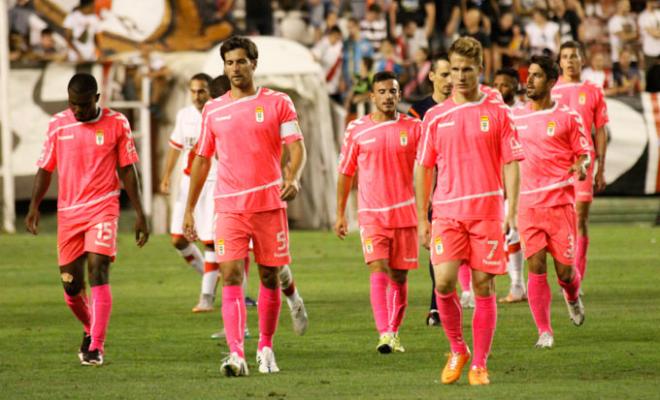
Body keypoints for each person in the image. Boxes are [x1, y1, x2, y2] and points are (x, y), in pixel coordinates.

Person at [184, 36, 307, 377]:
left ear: (254, 63)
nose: (235, 68)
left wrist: (293, 177)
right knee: (231, 274)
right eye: (229, 63)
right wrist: (189, 209)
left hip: (268, 204)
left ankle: (265, 347)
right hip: (229, 207)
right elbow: (202, 159)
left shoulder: (278, 102)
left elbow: (296, 147)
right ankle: (236, 353)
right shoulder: (213, 109)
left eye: (241, 62)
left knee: (269, 275)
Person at [415, 37, 523, 385]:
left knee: (483, 286)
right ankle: (457, 348)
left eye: (466, 70)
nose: (458, 77)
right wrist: (421, 217)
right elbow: (423, 168)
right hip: (446, 213)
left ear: (481, 70)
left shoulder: (497, 111)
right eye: (453, 70)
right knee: (444, 284)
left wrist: (512, 209)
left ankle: (479, 363)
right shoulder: (435, 116)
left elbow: (511, 163)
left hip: (487, 212)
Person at [25, 73, 149, 366]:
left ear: (96, 99)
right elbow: (45, 168)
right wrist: (33, 207)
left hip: (103, 207)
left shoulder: (117, 123)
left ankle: (96, 345)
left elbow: (128, 170)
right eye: (72, 104)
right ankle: (89, 326)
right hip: (69, 213)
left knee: (98, 272)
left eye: (82, 104)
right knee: (70, 286)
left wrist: (140, 213)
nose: (77, 110)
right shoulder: (58, 124)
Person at [336, 71, 421, 354]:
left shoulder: (415, 128)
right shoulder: (357, 129)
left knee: (399, 277)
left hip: (405, 214)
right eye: (382, 92)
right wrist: (340, 213)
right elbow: (345, 172)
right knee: (378, 268)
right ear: (372, 96)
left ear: (399, 95)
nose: (388, 96)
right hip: (371, 214)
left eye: (392, 91)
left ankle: (393, 332)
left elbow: (428, 169)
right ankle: (384, 333)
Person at [512, 55, 590, 348]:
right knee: (536, 267)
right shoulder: (516, 116)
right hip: (528, 205)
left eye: (536, 75)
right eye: (528, 75)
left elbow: (583, 153)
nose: (529, 80)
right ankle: (544, 331)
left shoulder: (568, 117)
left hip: (559, 204)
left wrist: (581, 166)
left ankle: (572, 295)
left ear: (551, 82)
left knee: (566, 272)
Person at [160, 73, 219, 313]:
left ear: (209, 91)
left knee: (211, 241)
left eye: (202, 91)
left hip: (213, 181)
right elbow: (176, 147)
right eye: (193, 91)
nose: (197, 96)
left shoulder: (217, 112)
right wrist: (166, 175)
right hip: (188, 183)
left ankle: (206, 296)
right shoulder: (184, 115)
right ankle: (213, 274)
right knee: (178, 239)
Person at [552, 41, 609, 287]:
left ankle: (577, 275)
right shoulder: (551, 91)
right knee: (559, 218)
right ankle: (564, 268)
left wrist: (601, 168)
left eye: (574, 56)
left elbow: (600, 130)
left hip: (584, 161)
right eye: (565, 57)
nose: (570, 61)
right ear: (560, 62)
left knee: (580, 217)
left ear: (581, 60)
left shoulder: (594, 90)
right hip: (555, 164)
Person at [408, 54, 452, 326]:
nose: (449, 80)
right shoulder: (418, 112)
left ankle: (451, 300)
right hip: (432, 187)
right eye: (444, 74)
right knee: (437, 249)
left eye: (452, 74)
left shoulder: (461, 107)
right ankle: (437, 305)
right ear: (432, 76)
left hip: (457, 185)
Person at [492, 67, 526, 304]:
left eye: (504, 84)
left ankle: (518, 284)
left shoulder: (523, 113)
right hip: (495, 181)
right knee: (505, 234)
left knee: (513, 232)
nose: (499, 89)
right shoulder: (491, 112)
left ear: (516, 86)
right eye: (496, 84)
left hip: (520, 180)